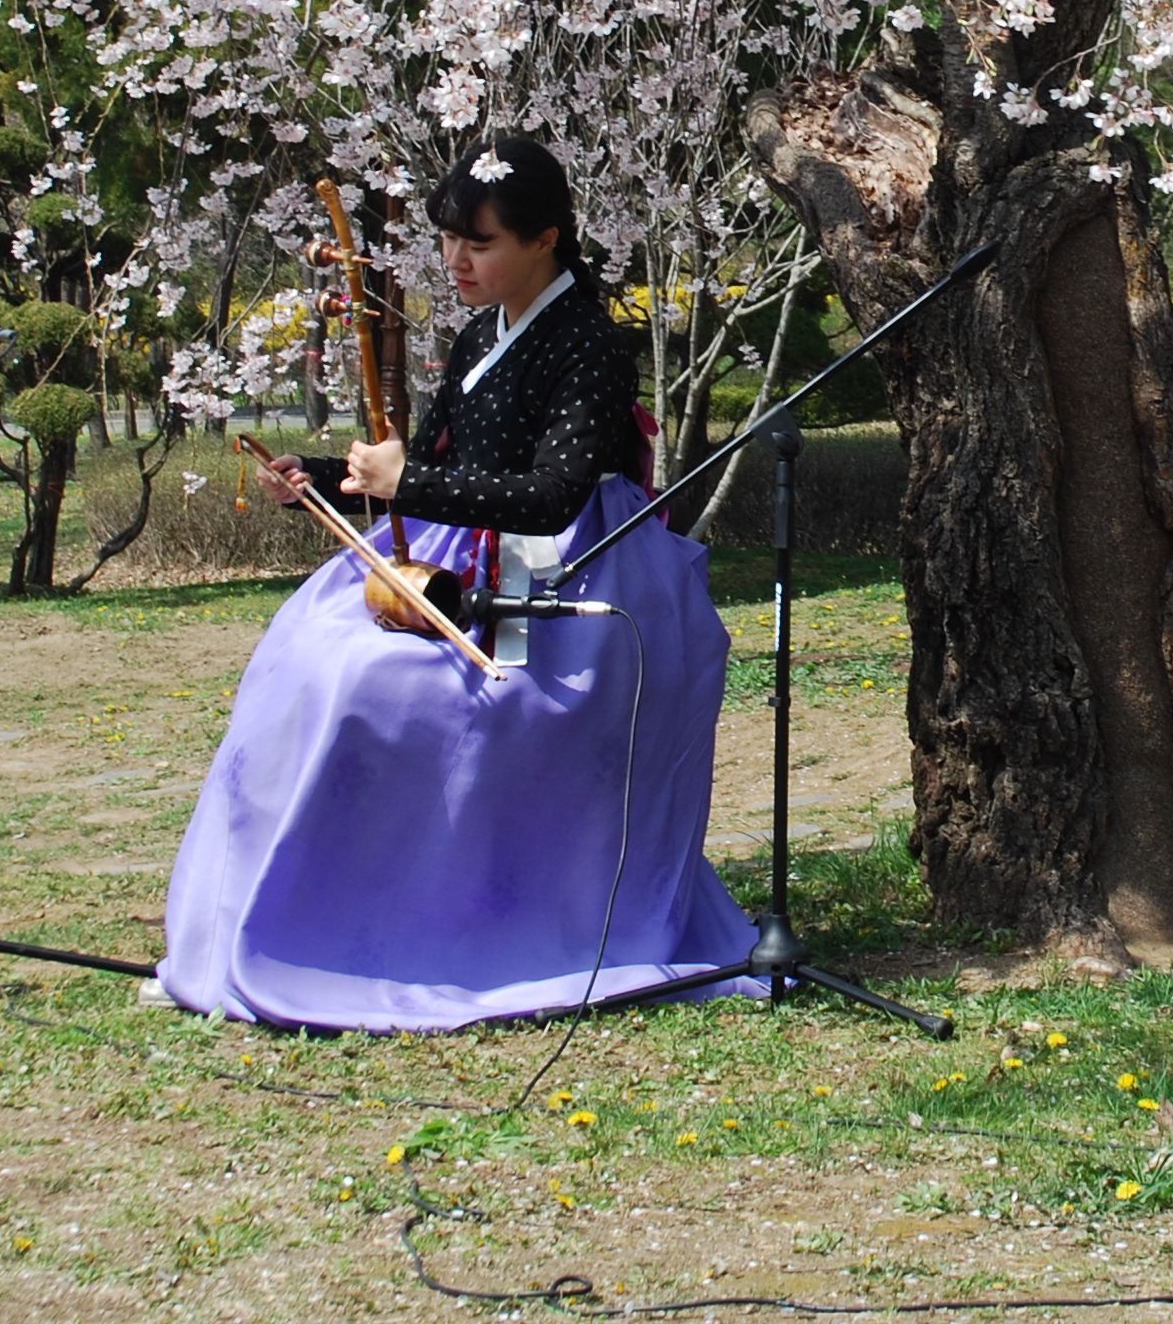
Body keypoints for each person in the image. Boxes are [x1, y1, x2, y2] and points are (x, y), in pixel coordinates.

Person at [160, 139, 755, 1030]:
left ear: (546, 239)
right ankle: (320, 920)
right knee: (308, 657)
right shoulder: (483, 332)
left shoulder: (589, 342)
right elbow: (433, 462)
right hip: (463, 551)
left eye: (480, 243)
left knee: (377, 687)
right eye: (449, 241)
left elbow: (554, 494)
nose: (456, 262)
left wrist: (412, 484)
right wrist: (324, 476)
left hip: (560, 573)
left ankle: (433, 930)